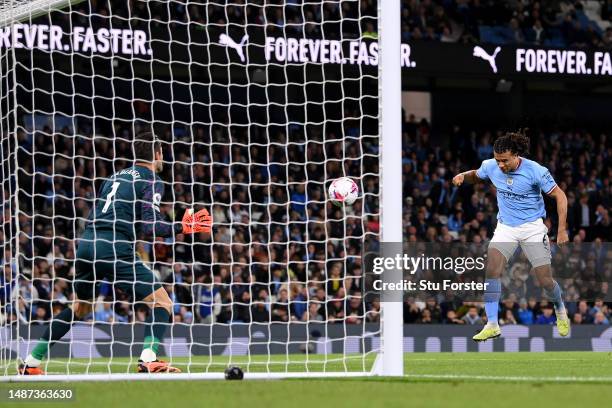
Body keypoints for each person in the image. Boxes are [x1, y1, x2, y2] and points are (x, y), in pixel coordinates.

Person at [19, 131, 212, 374]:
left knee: (80, 308)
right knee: (162, 302)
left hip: (86, 245)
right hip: (114, 247)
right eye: (162, 153)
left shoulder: (112, 178)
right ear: (157, 153)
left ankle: (31, 363)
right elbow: (151, 226)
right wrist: (183, 226)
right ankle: (148, 358)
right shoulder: (151, 179)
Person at [452, 129, 570, 342]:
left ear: (516, 155)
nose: (500, 165)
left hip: (532, 227)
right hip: (506, 226)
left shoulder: (536, 171)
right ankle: (492, 324)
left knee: (544, 280)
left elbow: (560, 196)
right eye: (498, 160)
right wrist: (462, 176)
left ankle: (560, 308)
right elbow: (476, 176)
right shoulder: (491, 166)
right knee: (492, 270)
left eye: (505, 161)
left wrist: (562, 229)